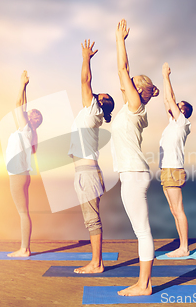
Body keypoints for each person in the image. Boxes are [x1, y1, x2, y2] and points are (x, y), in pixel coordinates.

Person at [111, 19, 159, 296]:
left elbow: (122, 69)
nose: (125, 85)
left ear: (138, 90)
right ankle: (144, 282)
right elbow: (124, 76)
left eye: (130, 85)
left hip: (134, 173)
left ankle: (144, 284)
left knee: (142, 231)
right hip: (131, 173)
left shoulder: (136, 106)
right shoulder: (133, 109)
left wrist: (120, 40)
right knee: (140, 230)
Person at [68, 39, 115, 274]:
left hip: (87, 173)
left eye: (101, 94)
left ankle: (97, 264)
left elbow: (85, 80)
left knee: (92, 220)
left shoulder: (92, 108)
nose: (96, 92)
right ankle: (96, 261)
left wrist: (86, 57)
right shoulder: (92, 112)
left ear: (101, 102)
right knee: (91, 219)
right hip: (86, 172)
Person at [5, 70, 43, 257]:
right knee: (24, 211)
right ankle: (25, 247)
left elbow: (18, 105)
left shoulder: (26, 128)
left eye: (30, 114)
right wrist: (25, 86)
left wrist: (22, 85)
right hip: (24, 175)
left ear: (31, 120)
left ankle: (24, 249)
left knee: (22, 212)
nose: (27, 113)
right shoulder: (30, 132)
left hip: (18, 175)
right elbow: (23, 105)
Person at [159, 62, 193, 258]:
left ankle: (184, 248)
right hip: (167, 169)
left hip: (173, 169)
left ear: (183, 112)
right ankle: (182, 246)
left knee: (178, 209)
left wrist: (166, 76)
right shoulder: (173, 123)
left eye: (178, 107)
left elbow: (170, 99)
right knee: (173, 209)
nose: (173, 107)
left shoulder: (182, 123)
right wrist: (164, 82)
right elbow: (166, 100)